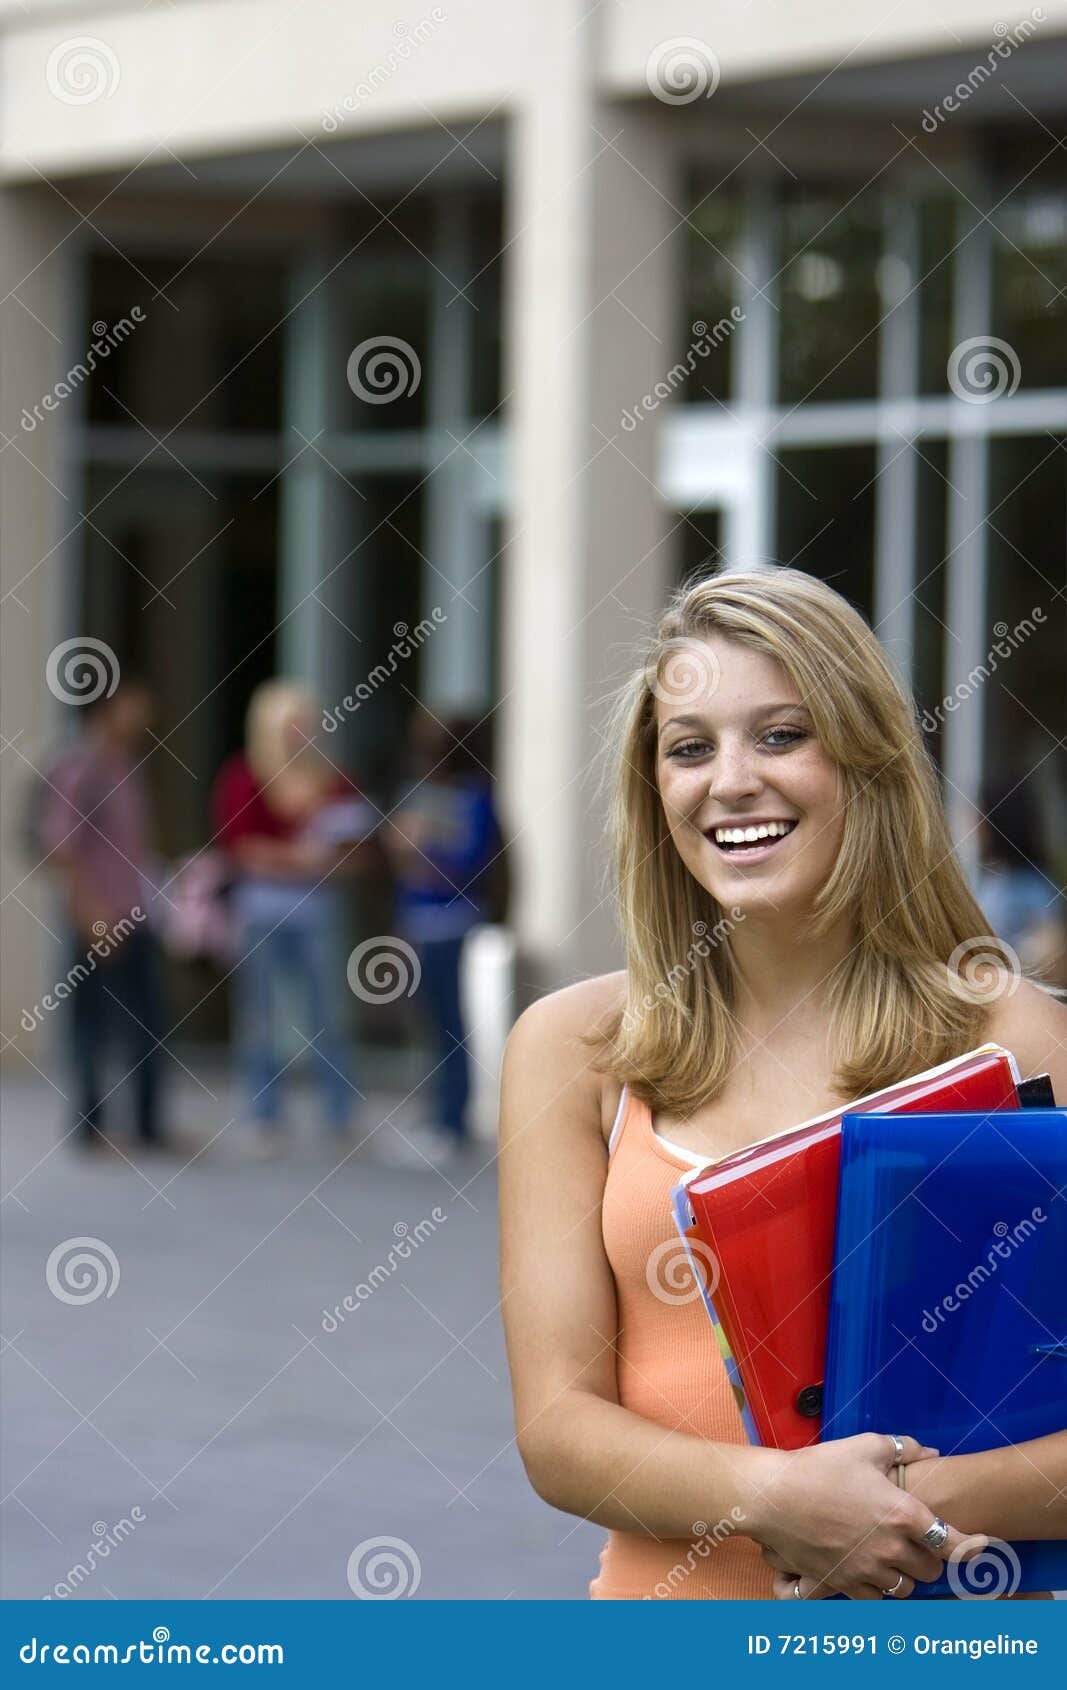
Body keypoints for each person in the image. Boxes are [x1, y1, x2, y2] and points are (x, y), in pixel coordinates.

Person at [499, 564, 1067, 1602]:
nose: (728, 781)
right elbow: (556, 1429)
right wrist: (771, 1495)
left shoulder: (1016, 1037)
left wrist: (899, 1508)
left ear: (866, 762)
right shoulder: (572, 1048)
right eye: (687, 748)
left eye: (779, 735)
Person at [212, 680, 376, 1153]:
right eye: (287, 728)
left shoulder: (335, 779)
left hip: (319, 908)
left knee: (329, 1011)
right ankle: (264, 1116)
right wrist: (303, 860)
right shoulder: (244, 777)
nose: (296, 736)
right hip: (262, 906)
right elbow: (240, 848)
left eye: (303, 726)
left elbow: (359, 850)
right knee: (258, 1013)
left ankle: (340, 1113)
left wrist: (300, 859)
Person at [39, 675, 170, 1153]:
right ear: (108, 708)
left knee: (149, 1018)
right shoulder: (81, 767)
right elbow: (63, 848)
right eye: (134, 705)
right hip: (95, 916)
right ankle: (89, 1127)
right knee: (90, 1023)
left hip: (135, 911)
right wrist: (90, 914)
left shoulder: (128, 766)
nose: (143, 716)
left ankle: (148, 1126)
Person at [383, 710, 505, 1165]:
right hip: (420, 923)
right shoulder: (421, 793)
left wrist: (423, 847)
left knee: (452, 1025)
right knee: (430, 1023)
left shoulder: (474, 796)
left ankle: (452, 1122)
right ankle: (435, 1114)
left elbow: (473, 863)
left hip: (454, 924)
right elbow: (403, 870)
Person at [973, 774, 1067, 988]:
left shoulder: (1032, 886)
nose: (974, 827)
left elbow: (1052, 952)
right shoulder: (988, 879)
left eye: (980, 817)